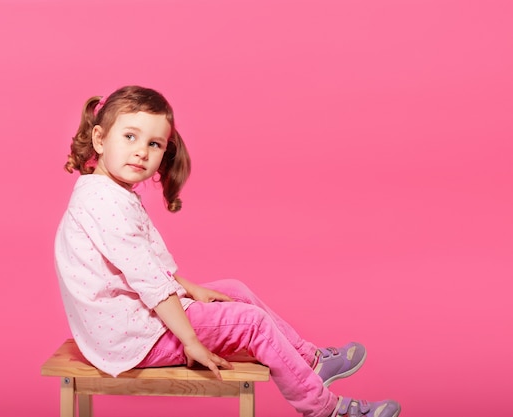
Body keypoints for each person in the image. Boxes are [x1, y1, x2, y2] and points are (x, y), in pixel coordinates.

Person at [54, 85, 401, 417]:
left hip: (131, 323)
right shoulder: (104, 202)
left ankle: (309, 361)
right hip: (133, 339)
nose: (142, 151)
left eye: (154, 143)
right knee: (252, 324)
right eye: (130, 136)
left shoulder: (107, 192)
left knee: (231, 291)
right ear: (100, 139)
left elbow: (143, 266)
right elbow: (147, 280)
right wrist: (190, 341)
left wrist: (190, 289)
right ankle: (324, 408)